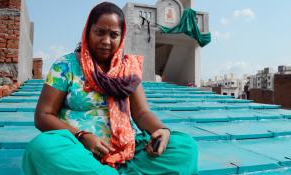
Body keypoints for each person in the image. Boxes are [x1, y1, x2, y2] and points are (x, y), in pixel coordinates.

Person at [22, 2, 198, 175]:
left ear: (122, 37)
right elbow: (43, 115)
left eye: (114, 35)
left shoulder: (127, 70)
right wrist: (82, 136)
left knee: (184, 146)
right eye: (100, 32)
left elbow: (141, 113)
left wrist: (162, 131)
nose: (106, 41)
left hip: (127, 150)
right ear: (88, 32)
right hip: (79, 150)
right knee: (41, 148)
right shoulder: (66, 66)